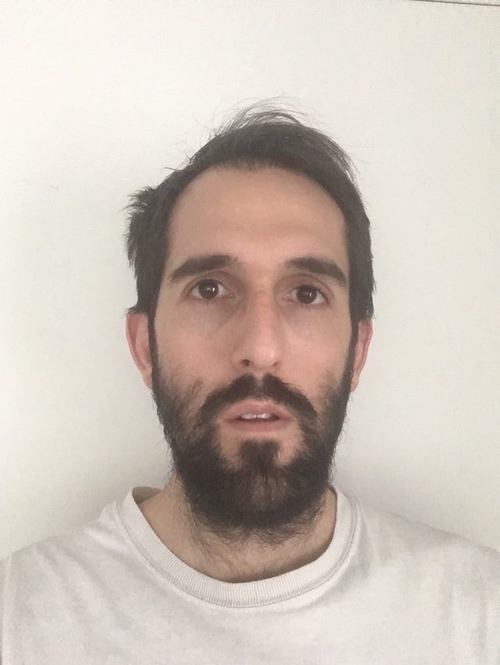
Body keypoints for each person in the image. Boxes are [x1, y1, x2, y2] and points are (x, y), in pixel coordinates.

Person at [1, 107, 499, 664]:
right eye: (210, 289)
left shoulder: (477, 613)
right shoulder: (19, 620)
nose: (260, 348)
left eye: (306, 293)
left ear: (357, 351)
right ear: (145, 347)